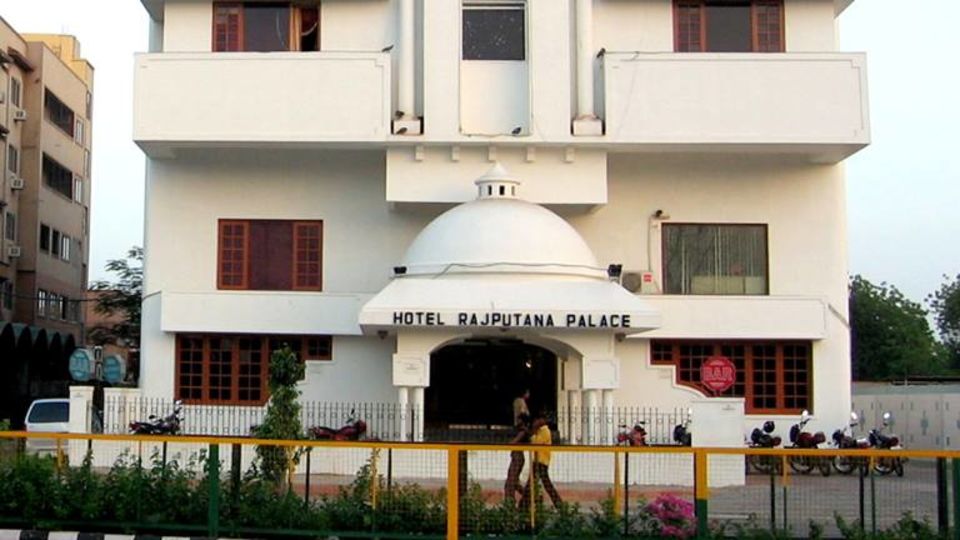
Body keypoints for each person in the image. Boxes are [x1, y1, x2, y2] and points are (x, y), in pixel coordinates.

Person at [520, 413, 562, 509]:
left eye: (537, 420)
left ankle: (522, 506)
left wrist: (533, 431)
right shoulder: (539, 431)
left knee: (538, 485)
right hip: (538, 462)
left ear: (541, 420)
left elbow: (535, 443)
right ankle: (523, 505)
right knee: (533, 485)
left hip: (541, 462)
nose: (535, 422)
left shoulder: (545, 431)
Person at [503, 413, 530, 505]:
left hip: (517, 458)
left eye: (519, 420)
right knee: (512, 482)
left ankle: (510, 502)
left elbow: (513, 442)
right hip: (516, 457)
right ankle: (528, 497)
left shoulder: (523, 431)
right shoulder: (519, 430)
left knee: (510, 482)